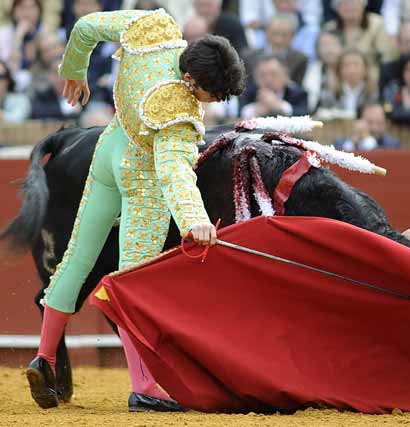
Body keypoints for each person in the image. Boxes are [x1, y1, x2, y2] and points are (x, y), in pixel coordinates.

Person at [25, 8, 246, 412]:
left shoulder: (155, 28)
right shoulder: (179, 112)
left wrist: (75, 70)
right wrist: (195, 221)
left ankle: (45, 356)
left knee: (76, 257)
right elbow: (174, 171)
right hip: (140, 177)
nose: (215, 103)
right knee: (132, 281)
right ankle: (144, 385)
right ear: (193, 80)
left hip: (110, 147)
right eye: (214, 94)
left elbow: (87, 26)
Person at [240, 54, 307, 118]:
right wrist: (256, 109)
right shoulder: (248, 92)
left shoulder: (297, 93)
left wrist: (279, 106)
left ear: (285, 75)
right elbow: (238, 112)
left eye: (273, 74)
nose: (268, 79)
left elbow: (305, 114)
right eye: (262, 75)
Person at [335, 102, 400, 151]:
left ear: (385, 124)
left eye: (379, 123)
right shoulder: (340, 144)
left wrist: (369, 141)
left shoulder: (393, 145)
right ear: (358, 122)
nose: (375, 128)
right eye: (370, 122)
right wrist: (353, 142)